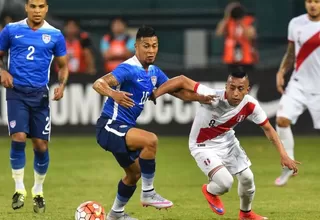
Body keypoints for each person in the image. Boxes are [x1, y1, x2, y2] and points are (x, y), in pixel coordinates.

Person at [92, 26, 213, 220]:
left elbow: (178, 92)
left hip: (124, 129)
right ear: (136, 46)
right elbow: (99, 83)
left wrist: (200, 98)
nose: (150, 50)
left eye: (154, 46)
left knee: (134, 175)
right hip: (109, 126)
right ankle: (148, 193)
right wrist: (113, 93)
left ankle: (115, 214)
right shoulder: (128, 68)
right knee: (150, 140)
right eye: (146, 46)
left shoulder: (154, 72)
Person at [150, 71, 300, 220]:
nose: (235, 93)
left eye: (240, 89)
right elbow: (182, 80)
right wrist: (157, 93)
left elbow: (269, 129)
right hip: (202, 145)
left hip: (227, 142)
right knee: (225, 183)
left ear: (247, 90)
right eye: (232, 87)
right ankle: (210, 191)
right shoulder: (213, 96)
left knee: (248, 178)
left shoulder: (251, 105)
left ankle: (246, 214)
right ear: (226, 86)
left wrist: (284, 155)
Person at [0, 0, 68, 213]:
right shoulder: (11, 30)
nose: (37, 10)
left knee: (41, 146)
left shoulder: (55, 34)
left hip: (40, 96)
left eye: (41, 6)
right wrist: (2, 71)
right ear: (26, 8)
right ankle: (19, 188)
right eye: (33, 6)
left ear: (46, 9)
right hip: (16, 93)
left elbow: (63, 65)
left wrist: (62, 84)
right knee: (18, 137)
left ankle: (38, 191)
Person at [275, 0, 320, 186]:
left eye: (317, 1)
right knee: (281, 120)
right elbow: (291, 52)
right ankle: (288, 163)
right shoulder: (295, 23)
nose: (313, 5)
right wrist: (281, 71)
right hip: (298, 83)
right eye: (310, 1)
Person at [215, 2, 258, 73]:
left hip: (246, 60)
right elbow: (219, 32)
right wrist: (227, 16)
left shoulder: (248, 21)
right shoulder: (228, 22)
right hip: (231, 59)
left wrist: (241, 22)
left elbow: (251, 35)